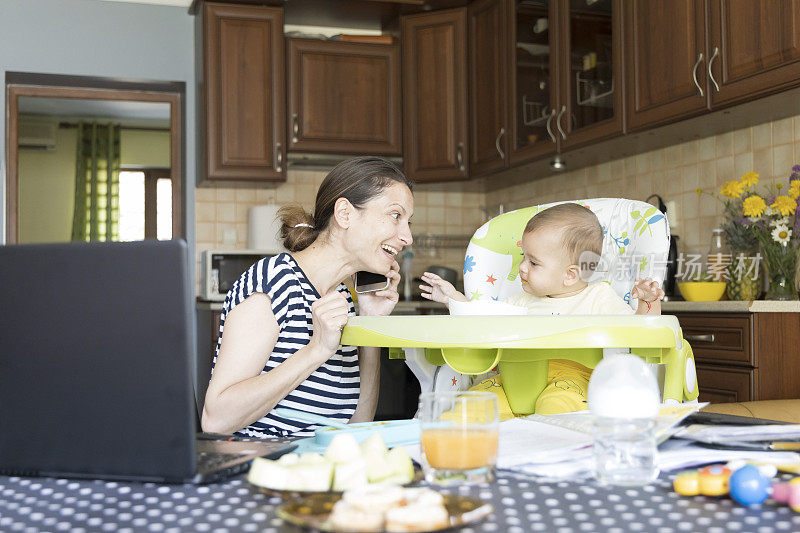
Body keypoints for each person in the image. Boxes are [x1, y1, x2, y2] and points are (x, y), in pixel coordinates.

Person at [202, 157, 413, 437]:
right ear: (345, 214)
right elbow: (216, 420)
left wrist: (369, 326)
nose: (408, 237)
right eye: (396, 216)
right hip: (261, 470)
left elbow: (356, 426)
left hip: (318, 470)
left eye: (408, 221)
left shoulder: (341, 297)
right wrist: (317, 350)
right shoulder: (274, 281)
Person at [419, 202, 665, 415]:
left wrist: (648, 303)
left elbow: (640, 333)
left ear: (570, 275)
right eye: (523, 257)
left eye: (533, 262)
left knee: (556, 410)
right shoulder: (520, 301)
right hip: (510, 381)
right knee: (470, 407)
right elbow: (481, 319)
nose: (522, 268)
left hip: (572, 381)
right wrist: (453, 299)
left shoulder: (598, 297)